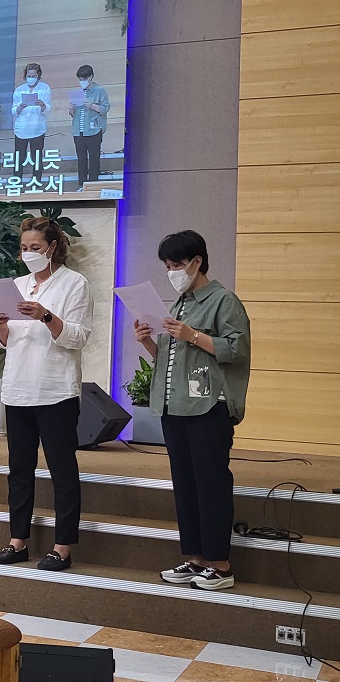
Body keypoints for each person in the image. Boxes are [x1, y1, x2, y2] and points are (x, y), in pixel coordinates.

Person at [134, 231, 250, 591]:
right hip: (176, 405)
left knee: (211, 482)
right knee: (185, 483)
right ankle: (196, 558)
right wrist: (148, 341)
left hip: (208, 405)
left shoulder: (223, 300)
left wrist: (192, 335)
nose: (172, 272)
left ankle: (220, 564)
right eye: (167, 266)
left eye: (177, 265)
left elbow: (237, 349)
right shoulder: (179, 303)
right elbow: (172, 360)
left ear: (197, 262)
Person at [0, 217, 91, 572]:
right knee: (19, 469)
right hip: (17, 388)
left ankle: (62, 547)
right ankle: (17, 541)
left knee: (62, 469)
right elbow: (5, 342)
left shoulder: (74, 284)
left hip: (55, 390)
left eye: (35, 247)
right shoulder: (17, 285)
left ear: (53, 247)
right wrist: (1, 326)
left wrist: (46, 316)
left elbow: (78, 337)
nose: (28, 253)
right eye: (24, 248)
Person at [69, 64, 110, 190]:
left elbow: (105, 108)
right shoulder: (78, 93)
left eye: (84, 79)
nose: (82, 82)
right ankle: (81, 184)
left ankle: (93, 185)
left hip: (93, 130)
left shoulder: (100, 90)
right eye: (80, 79)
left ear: (91, 77)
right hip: (78, 131)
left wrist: (92, 106)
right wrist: (71, 108)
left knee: (94, 158)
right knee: (81, 159)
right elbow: (73, 114)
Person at [12, 63, 52, 187]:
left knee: (37, 157)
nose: (31, 78)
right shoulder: (19, 90)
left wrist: (42, 105)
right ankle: (16, 182)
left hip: (37, 129)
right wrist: (20, 107)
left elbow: (48, 109)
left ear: (38, 75)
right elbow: (13, 111)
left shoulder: (45, 88)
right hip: (21, 129)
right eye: (29, 76)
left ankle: (36, 182)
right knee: (19, 157)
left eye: (33, 76)